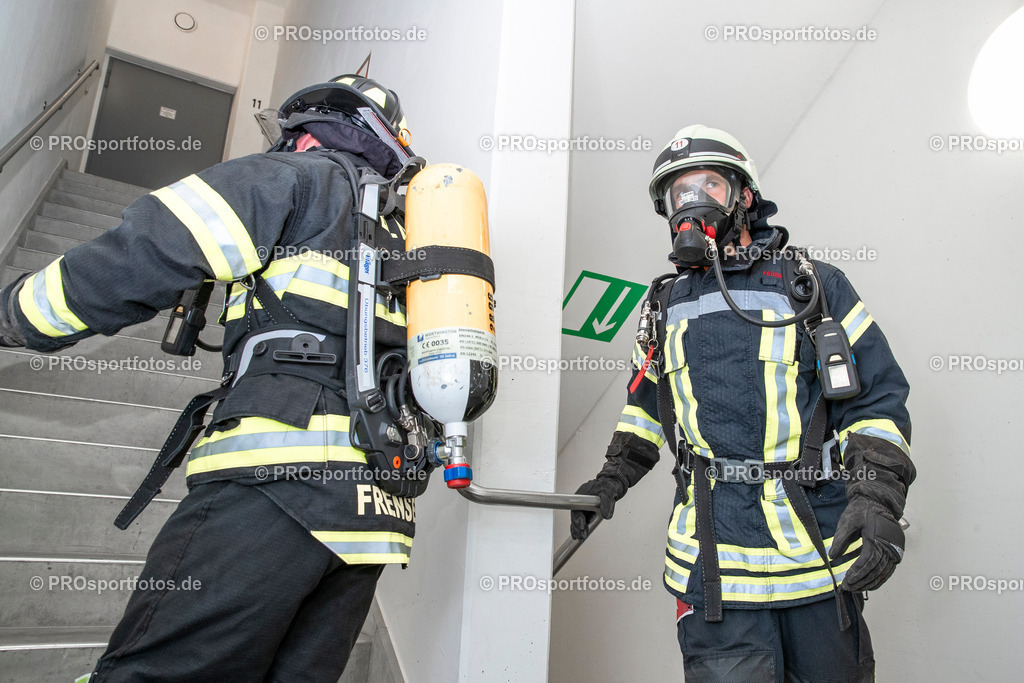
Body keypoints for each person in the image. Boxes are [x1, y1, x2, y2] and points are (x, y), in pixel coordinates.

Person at [1, 73, 429, 681]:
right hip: (376, 513)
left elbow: (139, 254)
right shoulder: (411, 232)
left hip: (275, 481)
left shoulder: (291, 178)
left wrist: (13, 317)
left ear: (306, 135)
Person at [570, 124, 916, 682]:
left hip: (816, 560)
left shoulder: (813, 285)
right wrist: (610, 481)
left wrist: (878, 498)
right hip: (713, 571)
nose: (693, 203)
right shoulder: (662, 305)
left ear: (744, 197)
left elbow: (875, 399)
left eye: (708, 185)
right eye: (678, 193)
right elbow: (645, 409)